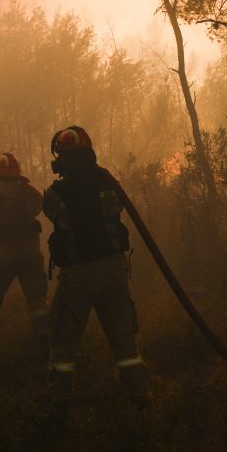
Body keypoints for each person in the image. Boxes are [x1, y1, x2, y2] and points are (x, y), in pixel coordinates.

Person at [43, 126, 150, 415]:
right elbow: (117, 210)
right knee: (124, 342)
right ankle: (141, 398)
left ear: (60, 157)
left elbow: (55, 214)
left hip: (78, 276)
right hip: (113, 271)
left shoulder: (54, 193)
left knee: (64, 342)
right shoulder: (107, 182)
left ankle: (60, 402)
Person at [0, 153, 50, 354]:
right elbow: (40, 204)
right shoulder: (30, 192)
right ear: (18, 171)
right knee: (37, 300)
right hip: (31, 252)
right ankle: (46, 339)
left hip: (4, 253)